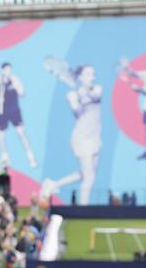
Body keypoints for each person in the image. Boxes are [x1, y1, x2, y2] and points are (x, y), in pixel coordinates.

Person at [41, 65, 102, 205]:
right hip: (82, 138)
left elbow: (96, 96)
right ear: (80, 77)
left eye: (93, 74)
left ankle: (53, 184)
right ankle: (83, 208)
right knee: (89, 177)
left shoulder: (98, 89)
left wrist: (85, 94)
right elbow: (77, 112)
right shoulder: (72, 95)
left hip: (95, 137)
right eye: (87, 74)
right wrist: (80, 98)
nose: (91, 77)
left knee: (85, 173)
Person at [0, 62, 37, 167]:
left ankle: (31, 158)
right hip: (2, 111)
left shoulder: (15, 80)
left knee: (21, 134)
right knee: (0, 134)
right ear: (2, 70)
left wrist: (18, 89)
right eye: (6, 69)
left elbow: (23, 94)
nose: (8, 71)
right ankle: (5, 157)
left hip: (15, 111)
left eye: (9, 69)